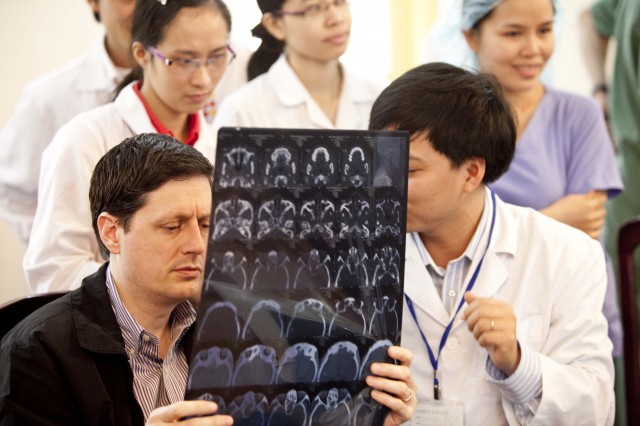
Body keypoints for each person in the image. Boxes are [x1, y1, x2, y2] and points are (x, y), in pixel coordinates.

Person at [0, 133, 417, 425]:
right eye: (172, 226)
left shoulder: (240, 326)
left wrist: (367, 415)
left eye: (205, 223)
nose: (198, 245)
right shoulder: (38, 352)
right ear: (112, 232)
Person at [369, 62, 614, 425]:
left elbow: (596, 410)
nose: (384, 182)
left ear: (471, 172)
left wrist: (517, 361)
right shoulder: (359, 255)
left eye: (409, 169)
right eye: (380, 162)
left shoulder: (568, 255)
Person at [24, 0, 235, 294]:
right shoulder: (85, 139)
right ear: (141, 54)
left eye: (216, 58)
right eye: (184, 60)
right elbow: (55, 273)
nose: (203, 78)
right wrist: (153, 285)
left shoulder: (221, 147)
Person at [458, 0, 624, 356]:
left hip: (567, 304)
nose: (533, 49)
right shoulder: (452, 124)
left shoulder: (580, 115)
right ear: (472, 36)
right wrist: (555, 218)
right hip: (476, 308)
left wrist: (485, 231)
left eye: (545, 31)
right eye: (513, 33)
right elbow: (445, 228)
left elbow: (587, 223)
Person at [0, 0, 136, 243]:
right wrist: (62, 253)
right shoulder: (48, 98)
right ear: (94, 3)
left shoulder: (216, 73)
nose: (145, 7)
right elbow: (12, 192)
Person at [210, 0, 385, 132]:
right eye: (314, 8)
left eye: (339, 2)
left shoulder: (380, 96)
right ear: (275, 25)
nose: (337, 19)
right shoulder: (242, 112)